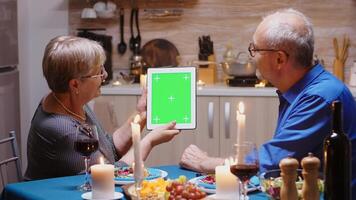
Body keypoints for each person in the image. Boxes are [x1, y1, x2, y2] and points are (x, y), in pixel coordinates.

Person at [180, 8, 356, 192]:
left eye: (255, 49)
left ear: (279, 59)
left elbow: (270, 162)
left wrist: (205, 162)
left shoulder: (319, 97)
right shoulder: (302, 89)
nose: (252, 56)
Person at [25, 36, 180, 180]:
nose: (104, 75)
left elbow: (109, 149)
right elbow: (107, 176)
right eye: (98, 72)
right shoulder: (62, 129)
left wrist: (140, 114)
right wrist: (149, 141)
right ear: (75, 85)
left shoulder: (71, 102)